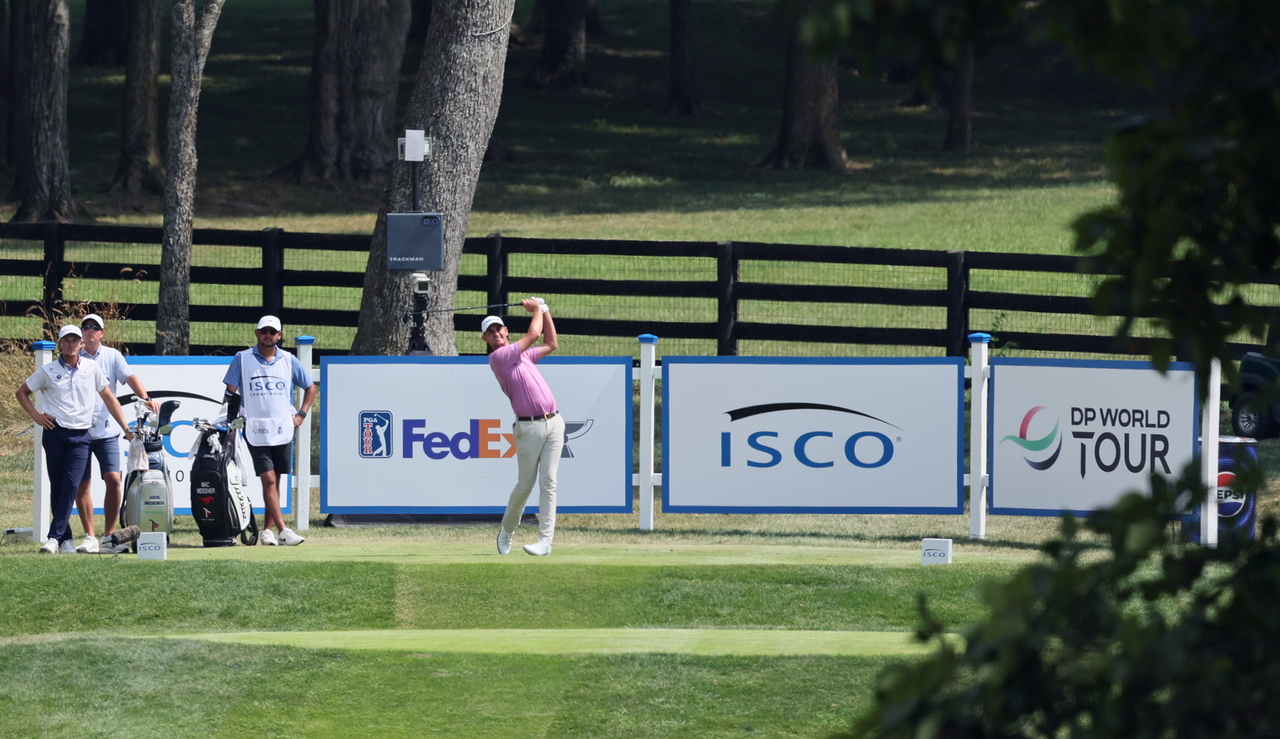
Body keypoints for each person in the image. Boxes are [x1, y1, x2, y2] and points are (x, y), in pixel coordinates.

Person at [15, 325, 134, 554]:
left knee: (71, 485)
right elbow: (22, 392)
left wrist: (126, 428)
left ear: (81, 344)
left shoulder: (92, 368)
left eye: (74, 340)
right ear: (60, 344)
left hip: (81, 435)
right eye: (66, 340)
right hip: (55, 433)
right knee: (58, 486)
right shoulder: (47, 370)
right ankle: (65, 539)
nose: (71, 344)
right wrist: (37, 416)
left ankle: (53, 538)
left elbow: (109, 399)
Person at [222, 315, 316, 546]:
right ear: (257, 333)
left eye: (272, 332)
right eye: (264, 331)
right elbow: (230, 394)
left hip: (283, 428)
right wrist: (230, 422)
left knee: (276, 479)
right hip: (255, 428)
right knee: (267, 478)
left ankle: (267, 532)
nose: (268, 335)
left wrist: (301, 414)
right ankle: (284, 530)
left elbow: (310, 388)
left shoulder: (289, 360)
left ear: (279, 335)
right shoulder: (242, 359)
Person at [482, 297, 563, 556]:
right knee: (525, 485)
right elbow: (534, 333)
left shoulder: (525, 357)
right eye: (490, 332)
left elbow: (551, 343)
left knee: (549, 482)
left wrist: (546, 310)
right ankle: (507, 530)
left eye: (499, 329)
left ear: (506, 331)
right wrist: (537, 310)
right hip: (528, 429)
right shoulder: (499, 358)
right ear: (485, 339)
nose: (496, 333)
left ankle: (545, 541)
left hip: (555, 422)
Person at [73, 313, 160, 554]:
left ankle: (108, 537)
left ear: (102, 333)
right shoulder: (73, 355)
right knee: (83, 485)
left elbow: (130, 377)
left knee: (113, 479)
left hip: (108, 431)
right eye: (86, 327)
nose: (90, 330)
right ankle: (89, 536)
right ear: (81, 331)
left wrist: (146, 398)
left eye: (95, 327)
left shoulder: (112, 356)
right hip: (78, 431)